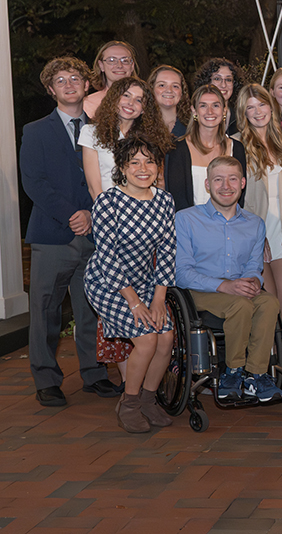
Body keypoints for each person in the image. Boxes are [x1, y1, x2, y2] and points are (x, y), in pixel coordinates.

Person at [21, 57, 118, 407]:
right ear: (51, 89)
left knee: (92, 308)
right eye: (60, 80)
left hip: (95, 234)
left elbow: (110, 177)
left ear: (87, 84)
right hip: (53, 234)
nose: (69, 84)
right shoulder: (35, 131)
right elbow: (34, 182)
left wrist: (92, 214)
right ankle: (46, 379)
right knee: (45, 310)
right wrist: (72, 215)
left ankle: (94, 373)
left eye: (75, 78)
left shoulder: (104, 129)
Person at [80, 77, 174, 379]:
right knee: (129, 321)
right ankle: (128, 384)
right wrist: (114, 216)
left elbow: (158, 182)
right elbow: (95, 186)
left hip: (146, 224)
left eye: (139, 99)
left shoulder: (149, 136)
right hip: (113, 224)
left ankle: (141, 388)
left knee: (157, 331)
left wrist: (153, 214)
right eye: (126, 96)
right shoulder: (93, 132)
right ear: (113, 99)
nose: (131, 103)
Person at [84, 135, 176, 432]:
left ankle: (149, 400)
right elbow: (107, 256)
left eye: (149, 161)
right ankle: (130, 404)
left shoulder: (164, 200)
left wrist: (159, 298)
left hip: (145, 281)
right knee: (147, 339)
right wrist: (135, 302)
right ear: (122, 168)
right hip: (108, 282)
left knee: (166, 337)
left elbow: (167, 251)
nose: (143, 168)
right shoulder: (107, 202)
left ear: (158, 166)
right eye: (134, 162)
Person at [174, 156, 282, 402]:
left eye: (232, 179)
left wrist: (253, 282)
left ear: (242, 183)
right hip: (200, 290)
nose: (226, 186)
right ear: (207, 184)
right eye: (218, 180)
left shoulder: (255, 223)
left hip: (237, 288)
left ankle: (256, 375)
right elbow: (182, 273)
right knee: (240, 304)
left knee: (269, 302)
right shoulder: (186, 219)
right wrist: (225, 286)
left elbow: (254, 266)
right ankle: (233, 372)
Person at [235, 84, 282, 364]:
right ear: (243, 113)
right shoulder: (237, 145)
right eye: (250, 107)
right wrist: (255, 239)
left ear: (270, 107)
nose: (257, 111)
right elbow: (235, 198)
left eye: (261, 105)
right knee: (270, 300)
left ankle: (275, 345)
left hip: (280, 229)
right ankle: (267, 355)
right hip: (253, 232)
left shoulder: (281, 143)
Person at [165, 84, 247, 211]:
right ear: (194, 110)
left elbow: (239, 197)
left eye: (215, 105)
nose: (210, 111)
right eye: (203, 106)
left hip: (227, 221)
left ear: (224, 110)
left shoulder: (237, 148)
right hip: (190, 222)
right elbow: (178, 200)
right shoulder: (178, 149)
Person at [84, 41, 138, 118]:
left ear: (132, 66)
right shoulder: (86, 104)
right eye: (112, 60)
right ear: (101, 65)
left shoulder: (145, 101)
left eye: (125, 60)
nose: (119, 65)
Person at [193, 57, 244, 135]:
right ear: (207, 82)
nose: (223, 85)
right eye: (217, 79)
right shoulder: (194, 117)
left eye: (228, 80)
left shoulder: (241, 119)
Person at [149, 64, 191, 139]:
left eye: (175, 86)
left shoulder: (192, 127)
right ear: (151, 89)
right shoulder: (139, 126)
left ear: (182, 92)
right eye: (162, 85)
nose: (169, 90)